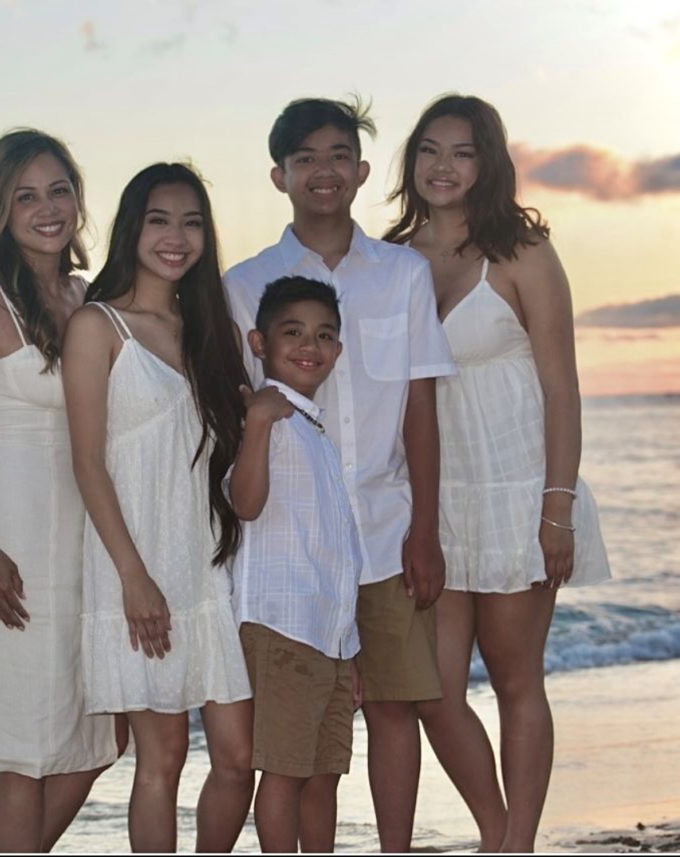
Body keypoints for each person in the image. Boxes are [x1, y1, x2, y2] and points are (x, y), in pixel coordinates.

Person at [224, 97, 457, 852]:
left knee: (390, 708)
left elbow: (420, 402)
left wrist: (425, 526)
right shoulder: (244, 282)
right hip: (290, 553)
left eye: (337, 155)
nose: (323, 171)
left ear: (360, 170)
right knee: (289, 748)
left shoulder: (402, 273)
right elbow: (238, 415)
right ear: (279, 174)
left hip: (386, 530)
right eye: (305, 159)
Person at [383, 93, 611, 852]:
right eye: (428, 150)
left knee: (518, 682)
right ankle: (495, 827)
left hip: (519, 494)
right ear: (411, 161)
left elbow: (561, 388)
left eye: (461, 152)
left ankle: (516, 844)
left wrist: (558, 507)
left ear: (488, 163)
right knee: (436, 690)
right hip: (435, 505)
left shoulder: (524, 254)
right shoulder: (392, 260)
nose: (442, 167)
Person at [62, 162, 254, 853]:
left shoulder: (208, 329)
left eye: (193, 222)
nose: (177, 237)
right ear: (132, 229)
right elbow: (87, 463)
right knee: (162, 757)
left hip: (205, 566)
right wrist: (133, 575)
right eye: (160, 220)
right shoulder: (98, 325)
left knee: (238, 757)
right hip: (134, 566)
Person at [0, 129, 121, 852]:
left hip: (84, 547)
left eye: (59, 191)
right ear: (1, 206)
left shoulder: (86, 297)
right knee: (24, 754)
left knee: (98, 736)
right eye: (27, 195)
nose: (47, 208)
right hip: (11, 544)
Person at [228, 276, 363, 853]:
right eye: (293, 332)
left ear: (336, 350)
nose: (310, 345)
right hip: (281, 628)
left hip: (327, 638)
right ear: (259, 343)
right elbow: (246, 504)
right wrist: (257, 423)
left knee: (324, 773)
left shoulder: (313, 430)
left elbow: (334, 553)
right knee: (283, 773)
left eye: (324, 335)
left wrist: (348, 647)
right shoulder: (267, 419)